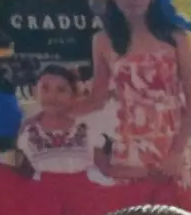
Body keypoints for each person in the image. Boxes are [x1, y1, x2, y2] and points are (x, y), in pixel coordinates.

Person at [77, 0, 191, 214]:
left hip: (172, 141)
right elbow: (98, 98)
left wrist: (177, 152)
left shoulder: (175, 38)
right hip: (130, 148)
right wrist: (60, 113)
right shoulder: (102, 41)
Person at [17, 65, 146, 180]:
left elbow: (107, 168)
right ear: (35, 91)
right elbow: (24, 173)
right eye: (45, 89)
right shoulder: (28, 129)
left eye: (61, 90)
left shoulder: (87, 127)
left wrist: (149, 173)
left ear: (73, 95)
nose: (52, 96)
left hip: (83, 198)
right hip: (43, 199)